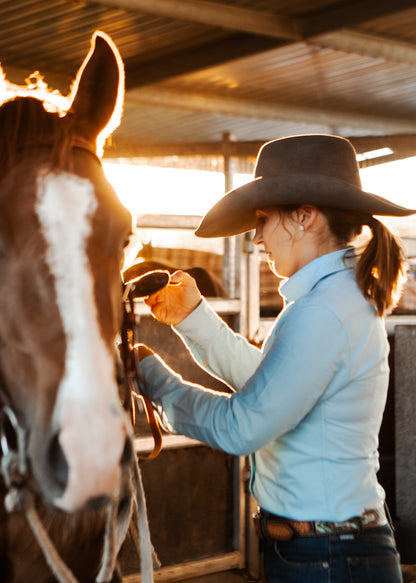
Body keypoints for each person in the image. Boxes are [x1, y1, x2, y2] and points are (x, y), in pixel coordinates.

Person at [136, 134, 415, 583]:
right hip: (330, 552)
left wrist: (149, 378)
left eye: (264, 219)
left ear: (305, 216)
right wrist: (194, 317)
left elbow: (241, 427)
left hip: (326, 559)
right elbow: (270, 387)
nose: (256, 236)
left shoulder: (322, 311)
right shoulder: (329, 300)